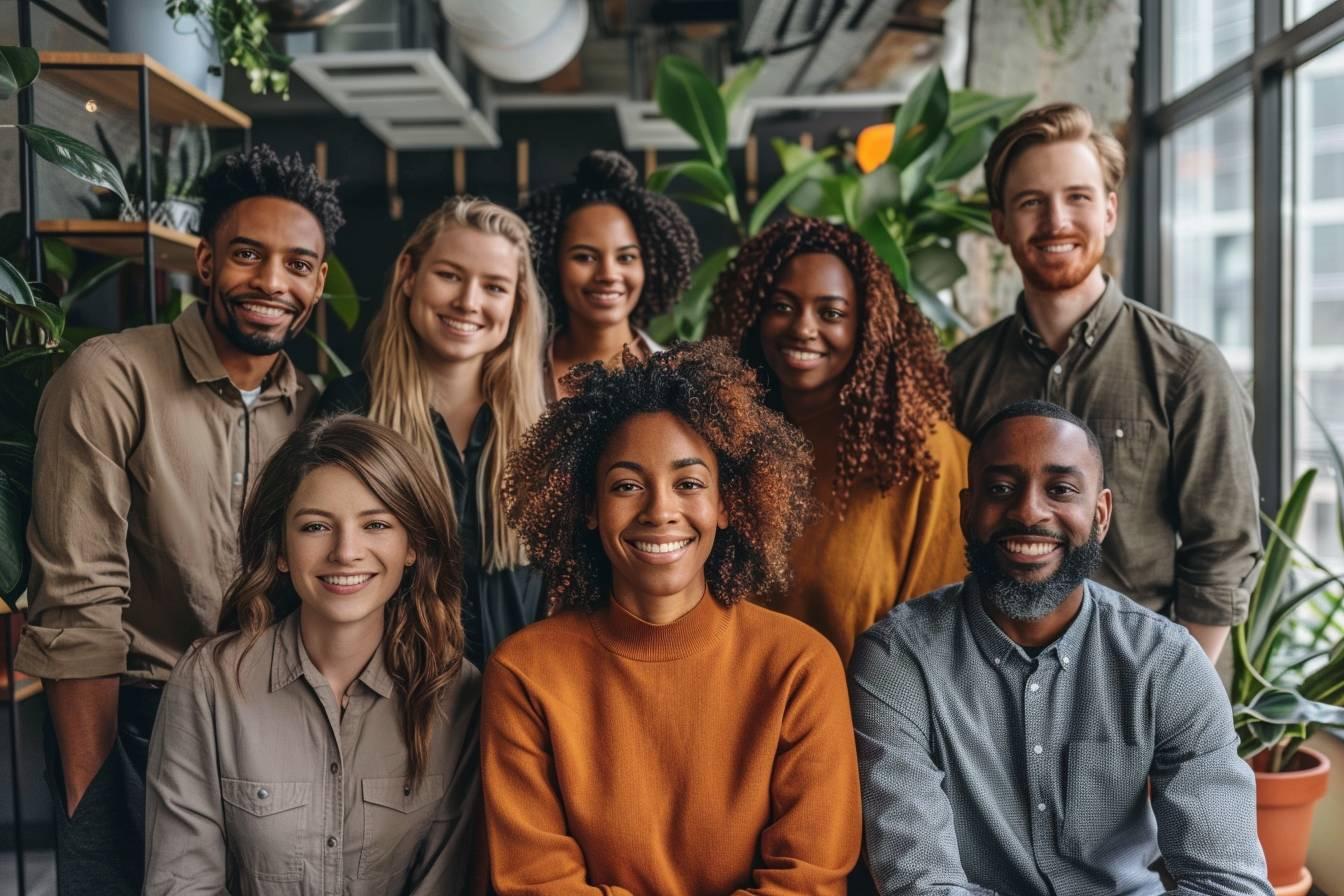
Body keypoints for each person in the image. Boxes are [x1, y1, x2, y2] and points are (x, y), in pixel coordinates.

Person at [14, 145, 342, 894]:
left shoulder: (319, 409)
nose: (270, 282)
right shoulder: (110, 375)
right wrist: (89, 801)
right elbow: (78, 603)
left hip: (274, 728)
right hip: (137, 720)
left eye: (297, 264)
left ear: (318, 282)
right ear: (204, 260)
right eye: (247, 255)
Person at [482, 340, 862, 895]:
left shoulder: (799, 667)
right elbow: (536, 883)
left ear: (727, 504)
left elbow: (808, 883)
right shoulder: (525, 673)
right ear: (589, 508)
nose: (660, 510)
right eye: (627, 485)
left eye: (689, 484)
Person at [850, 400, 1271, 896]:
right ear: (967, 512)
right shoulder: (898, 660)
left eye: (1061, 490)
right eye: (1001, 488)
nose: (1028, 510)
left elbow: (1229, 881)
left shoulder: (1166, 662)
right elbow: (923, 885)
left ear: (1100, 514)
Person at [948, 102, 1259, 661]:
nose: (1056, 221)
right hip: (990, 684)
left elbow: (1222, 552)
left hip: (1142, 678)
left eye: (1078, 197)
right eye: (1030, 202)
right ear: (999, 224)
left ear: (1110, 211)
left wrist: (1175, 696)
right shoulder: (960, 377)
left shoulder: (1187, 369)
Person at [144, 415, 481, 895]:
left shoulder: (456, 694)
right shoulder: (211, 682)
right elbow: (180, 884)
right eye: (316, 526)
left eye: (377, 524)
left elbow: (447, 884)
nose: (346, 551)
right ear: (280, 549)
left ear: (412, 548)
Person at [708, 216, 969, 663]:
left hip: (866, 722)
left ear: (867, 328)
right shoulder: (724, 435)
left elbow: (944, 636)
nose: (802, 328)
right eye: (782, 306)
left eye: (831, 313)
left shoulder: (922, 452)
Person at [313, 197, 549, 669]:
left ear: (517, 305)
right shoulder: (351, 414)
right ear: (408, 273)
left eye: (495, 287)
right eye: (450, 275)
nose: (469, 301)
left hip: (516, 705)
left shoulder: (544, 429)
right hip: (389, 700)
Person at [520, 149, 699, 399]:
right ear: (551, 265)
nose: (608, 274)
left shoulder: (680, 378)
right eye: (585, 257)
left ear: (648, 266)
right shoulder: (514, 375)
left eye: (626, 257)